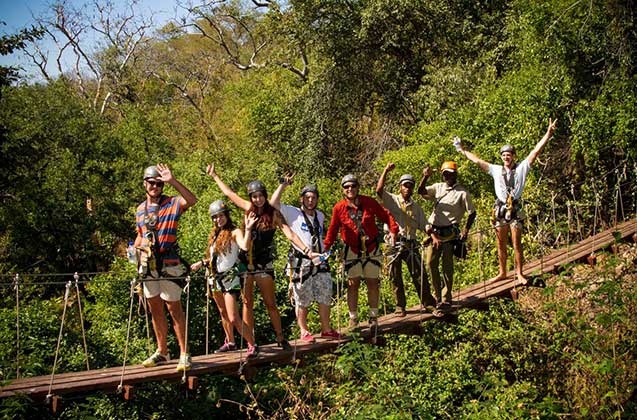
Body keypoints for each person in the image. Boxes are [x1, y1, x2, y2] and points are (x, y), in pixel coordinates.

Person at [207, 164, 318, 350]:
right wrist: (215, 176)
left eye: (260, 196)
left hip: (264, 264)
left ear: (265, 195)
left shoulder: (273, 214)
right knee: (247, 303)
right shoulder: (248, 208)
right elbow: (230, 195)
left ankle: (280, 337)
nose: (257, 199)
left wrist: (307, 251)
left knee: (270, 303)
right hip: (246, 264)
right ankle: (252, 344)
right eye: (254, 196)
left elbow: (290, 234)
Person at [455, 118, 557, 283]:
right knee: (500, 243)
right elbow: (477, 161)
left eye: (508, 155)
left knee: (517, 243)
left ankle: (520, 273)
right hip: (500, 209)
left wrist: (548, 133)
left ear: (514, 156)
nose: (506, 157)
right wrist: (462, 150)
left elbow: (535, 152)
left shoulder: (522, 168)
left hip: (514, 209)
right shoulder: (496, 170)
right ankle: (503, 272)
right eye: (503, 155)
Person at [135, 164, 197, 371]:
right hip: (148, 266)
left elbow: (192, 200)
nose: (155, 186)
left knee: (174, 309)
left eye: (158, 184)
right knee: (155, 309)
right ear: (145, 183)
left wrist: (172, 181)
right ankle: (162, 350)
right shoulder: (139, 209)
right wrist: (135, 250)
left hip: (169, 264)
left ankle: (184, 353)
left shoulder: (171, 203)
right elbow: (140, 234)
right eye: (151, 183)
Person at [269, 178, 343, 342]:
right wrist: (282, 185)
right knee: (302, 298)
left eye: (314, 197)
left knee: (325, 294)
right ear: (301, 198)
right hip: (301, 262)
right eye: (307, 197)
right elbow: (272, 204)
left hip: (320, 261)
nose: (311, 200)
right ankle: (304, 330)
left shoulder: (320, 216)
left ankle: (326, 329)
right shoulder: (292, 212)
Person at [324, 174, 399, 329]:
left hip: (371, 248)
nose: (350, 189)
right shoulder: (339, 208)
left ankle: (373, 317)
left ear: (358, 187)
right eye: (346, 187)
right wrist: (324, 249)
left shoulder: (369, 203)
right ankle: (353, 318)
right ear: (343, 190)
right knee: (353, 284)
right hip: (352, 249)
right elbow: (332, 230)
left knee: (373, 283)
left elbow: (386, 215)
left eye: (352, 186)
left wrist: (393, 231)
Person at [189, 200, 259, 359]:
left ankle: (252, 344)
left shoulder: (234, 232)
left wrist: (248, 229)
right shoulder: (215, 234)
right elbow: (216, 258)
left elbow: (245, 247)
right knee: (223, 313)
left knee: (234, 317)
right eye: (215, 217)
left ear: (226, 215)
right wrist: (202, 263)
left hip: (229, 277)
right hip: (215, 278)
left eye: (221, 216)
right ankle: (231, 341)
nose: (218, 219)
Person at [376, 162, 436, 316]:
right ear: (400, 187)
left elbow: (425, 225)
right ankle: (399, 306)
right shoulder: (392, 200)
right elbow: (379, 190)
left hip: (410, 242)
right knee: (395, 275)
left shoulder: (416, 207)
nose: (407, 188)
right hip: (393, 243)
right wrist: (385, 171)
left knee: (419, 273)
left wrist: (433, 235)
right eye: (405, 185)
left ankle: (428, 303)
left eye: (410, 186)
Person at [417, 161, 476, 315]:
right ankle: (437, 296)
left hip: (450, 234)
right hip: (434, 232)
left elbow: (472, 212)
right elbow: (421, 191)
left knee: (447, 266)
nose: (448, 176)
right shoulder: (438, 187)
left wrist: (466, 230)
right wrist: (425, 177)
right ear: (442, 175)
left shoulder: (462, 193)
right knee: (431, 263)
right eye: (445, 174)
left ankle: (446, 296)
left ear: (455, 174)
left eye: (450, 173)